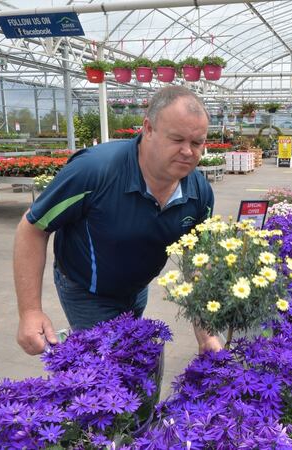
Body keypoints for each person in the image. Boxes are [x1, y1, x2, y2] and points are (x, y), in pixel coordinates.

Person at [14, 85, 222, 355]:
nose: (188, 151)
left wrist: (206, 336)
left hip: (135, 289)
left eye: (197, 143)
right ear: (148, 128)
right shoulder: (95, 171)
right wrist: (30, 312)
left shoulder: (199, 193)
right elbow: (32, 227)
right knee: (105, 370)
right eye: (177, 139)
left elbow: (198, 265)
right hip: (87, 288)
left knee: (128, 359)